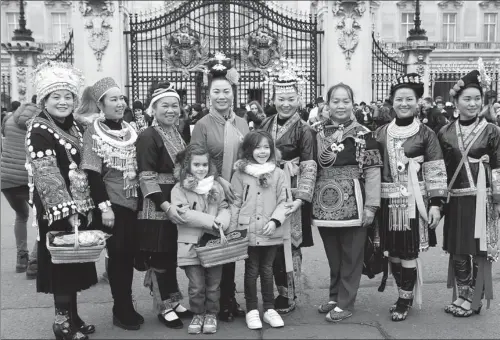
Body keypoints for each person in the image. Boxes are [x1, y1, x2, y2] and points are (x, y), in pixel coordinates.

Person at [27, 61, 97, 340]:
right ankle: (62, 323)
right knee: (61, 265)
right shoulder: (39, 129)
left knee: (75, 262)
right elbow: (47, 175)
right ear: (45, 99)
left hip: (78, 206)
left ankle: (74, 317)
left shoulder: (75, 127)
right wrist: (67, 211)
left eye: (68, 96)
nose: (63, 101)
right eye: (56, 96)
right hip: (56, 209)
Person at [375, 74, 447, 322]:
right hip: (387, 202)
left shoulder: (426, 134)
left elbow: (436, 169)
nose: (404, 103)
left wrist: (437, 204)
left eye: (409, 99)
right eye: (399, 99)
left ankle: (405, 299)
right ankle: (401, 292)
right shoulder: (381, 133)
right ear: (391, 102)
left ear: (418, 102)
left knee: (408, 252)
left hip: (413, 205)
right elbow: (372, 171)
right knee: (392, 253)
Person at [311, 83, 382, 322]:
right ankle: (334, 295)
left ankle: (345, 301)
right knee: (333, 255)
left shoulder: (364, 133)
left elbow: (372, 172)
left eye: (345, 101)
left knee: (352, 255)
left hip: (354, 200)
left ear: (352, 103)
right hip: (324, 202)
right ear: (327, 104)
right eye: (335, 101)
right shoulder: (316, 132)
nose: (340, 106)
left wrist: (371, 206)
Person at [190, 52, 249, 322]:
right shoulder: (201, 124)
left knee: (235, 244)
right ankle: (216, 301)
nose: (222, 96)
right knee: (217, 245)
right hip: (213, 193)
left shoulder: (241, 122)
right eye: (217, 91)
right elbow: (197, 158)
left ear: (233, 93)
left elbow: (247, 154)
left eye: (226, 91)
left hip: (239, 192)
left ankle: (230, 297)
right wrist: (219, 179)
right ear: (209, 95)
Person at [81, 77, 143, 330]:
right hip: (112, 206)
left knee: (129, 256)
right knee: (118, 257)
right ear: (101, 104)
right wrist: (104, 207)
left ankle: (126, 305)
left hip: (134, 202)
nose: (120, 103)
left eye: (122, 98)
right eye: (114, 99)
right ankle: (121, 308)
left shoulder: (130, 129)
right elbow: (92, 173)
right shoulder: (93, 132)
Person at [438, 69, 500, 318]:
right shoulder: (444, 132)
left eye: (477, 98)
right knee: (457, 248)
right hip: (455, 198)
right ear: (456, 103)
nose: (473, 103)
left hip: (482, 198)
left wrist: (498, 199)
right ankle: (463, 294)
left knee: (478, 249)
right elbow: (439, 168)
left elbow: (498, 166)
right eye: (467, 99)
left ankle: (474, 298)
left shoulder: (493, 131)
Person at [259, 58, 318, 315]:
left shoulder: (305, 130)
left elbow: (309, 165)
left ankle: (288, 292)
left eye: (291, 98)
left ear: (299, 99)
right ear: (273, 98)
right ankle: (271, 289)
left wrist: (302, 197)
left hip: (292, 193)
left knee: (290, 244)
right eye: (281, 98)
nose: (286, 103)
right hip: (267, 190)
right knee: (268, 239)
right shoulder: (265, 124)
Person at [135, 83, 192, 329]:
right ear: (153, 109)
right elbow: (146, 176)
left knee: (170, 254)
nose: (171, 110)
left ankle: (174, 300)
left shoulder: (177, 132)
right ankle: (163, 306)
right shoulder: (148, 136)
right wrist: (165, 205)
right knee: (159, 256)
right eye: (165, 106)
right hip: (158, 205)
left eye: (174, 105)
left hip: (176, 201)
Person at [230, 130, 288, 330]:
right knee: (251, 270)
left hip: (269, 229)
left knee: (267, 269)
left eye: (266, 147)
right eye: (257, 147)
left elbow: (284, 201)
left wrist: (275, 220)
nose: (262, 151)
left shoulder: (278, 173)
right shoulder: (240, 174)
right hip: (248, 230)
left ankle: (269, 308)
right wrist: (234, 229)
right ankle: (252, 309)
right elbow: (235, 202)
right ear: (248, 149)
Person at [171, 144, 231, 335]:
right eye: (196, 165)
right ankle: (198, 313)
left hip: (213, 245)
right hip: (191, 245)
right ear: (188, 165)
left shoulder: (215, 186)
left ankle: (211, 313)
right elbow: (184, 213)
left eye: (204, 165)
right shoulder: (179, 188)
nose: (201, 169)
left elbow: (224, 206)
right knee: (196, 286)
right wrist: (213, 221)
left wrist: (222, 219)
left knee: (213, 284)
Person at [2, 101, 40, 278]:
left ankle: (21, 258)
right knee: (44, 217)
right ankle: (35, 261)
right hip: (27, 179)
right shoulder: (39, 123)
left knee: (22, 215)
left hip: (6, 179)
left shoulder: (8, 119)